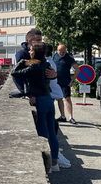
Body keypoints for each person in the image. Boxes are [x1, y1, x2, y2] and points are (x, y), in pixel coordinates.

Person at [11, 42, 60, 173]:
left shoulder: (34, 66)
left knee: (43, 132)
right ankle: (55, 163)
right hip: (48, 98)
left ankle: (47, 163)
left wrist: (22, 61)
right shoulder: (46, 64)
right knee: (52, 132)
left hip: (40, 100)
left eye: (31, 50)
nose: (29, 51)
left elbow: (14, 73)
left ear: (35, 52)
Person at [45, 44, 71, 168]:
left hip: (50, 94)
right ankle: (55, 160)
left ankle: (54, 160)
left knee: (49, 130)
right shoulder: (52, 61)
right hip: (54, 91)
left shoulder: (47, 63)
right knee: (52, 129)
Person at [53, 43, 80, 124]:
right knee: (59, 99)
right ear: (57, 50)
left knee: (67, 99)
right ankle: (62, 116)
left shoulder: (69, 58)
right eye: (60, 51)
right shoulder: (54, 56)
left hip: (66, 82)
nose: (62, 53)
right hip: (55, 81)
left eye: (63, 52)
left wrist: (72, 80)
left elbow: (77, 70)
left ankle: (71, 117)